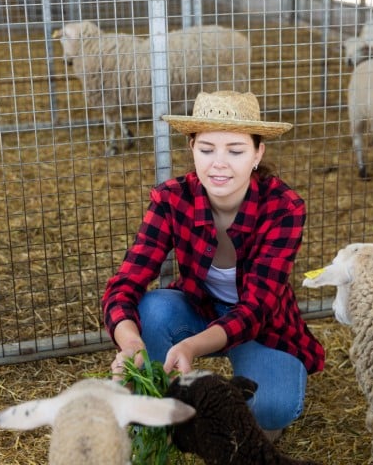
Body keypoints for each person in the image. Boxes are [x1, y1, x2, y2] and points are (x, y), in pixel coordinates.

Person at [101, 90, 325, 440]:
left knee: (273, 407)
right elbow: (124, 285)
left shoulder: (284, 207)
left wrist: (192, 346)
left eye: (235, 151)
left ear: (257, 153)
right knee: (151, 309)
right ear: (191, 148)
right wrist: (130, 341)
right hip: (199, 306)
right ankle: (158, 401)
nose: (218, 163)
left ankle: (249, 411)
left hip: (262, 322)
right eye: (206, 149)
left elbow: (257, 307)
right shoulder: (172, 199)